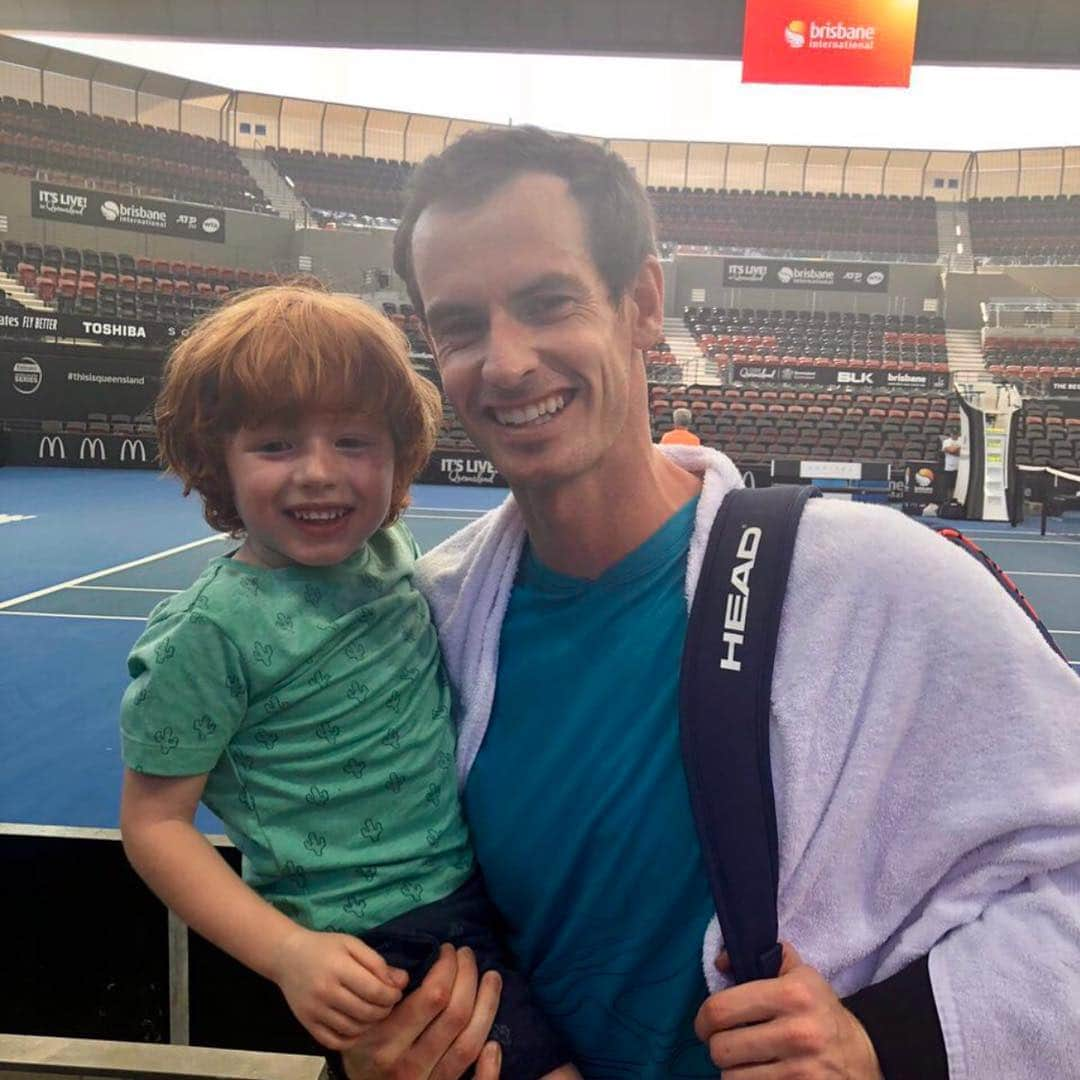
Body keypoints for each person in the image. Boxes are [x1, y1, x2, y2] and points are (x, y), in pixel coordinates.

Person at [338, 125, 1080, 1080]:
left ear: (643, 302)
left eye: (547, 302)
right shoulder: (427, 623)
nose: (507, 361)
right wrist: (394, 1044)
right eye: (462, 325)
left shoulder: (883, 580)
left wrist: (886, 1044)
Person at [118, 283, 576, 1080]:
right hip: (381, 934)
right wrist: (290, 953)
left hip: (478, 883)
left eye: (354, 442)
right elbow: (155, 825)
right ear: (218, 460)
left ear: (398, 453)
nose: (320, 473)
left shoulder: (391, 553)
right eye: (276, 446)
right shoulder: (209, 633)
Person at [939, 430, 962, 505]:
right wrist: (958, 448)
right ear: (951, 434)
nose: (954, 435)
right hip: (949, 467)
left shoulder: (961, 440)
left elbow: (960, 453)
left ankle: (956, 500)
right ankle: (948, 501)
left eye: (956, 434)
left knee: (957, 486)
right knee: (949, 486)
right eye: (953, 433)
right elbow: (951, 450)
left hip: (960, 467)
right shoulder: (946, 441)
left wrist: (954, 450)